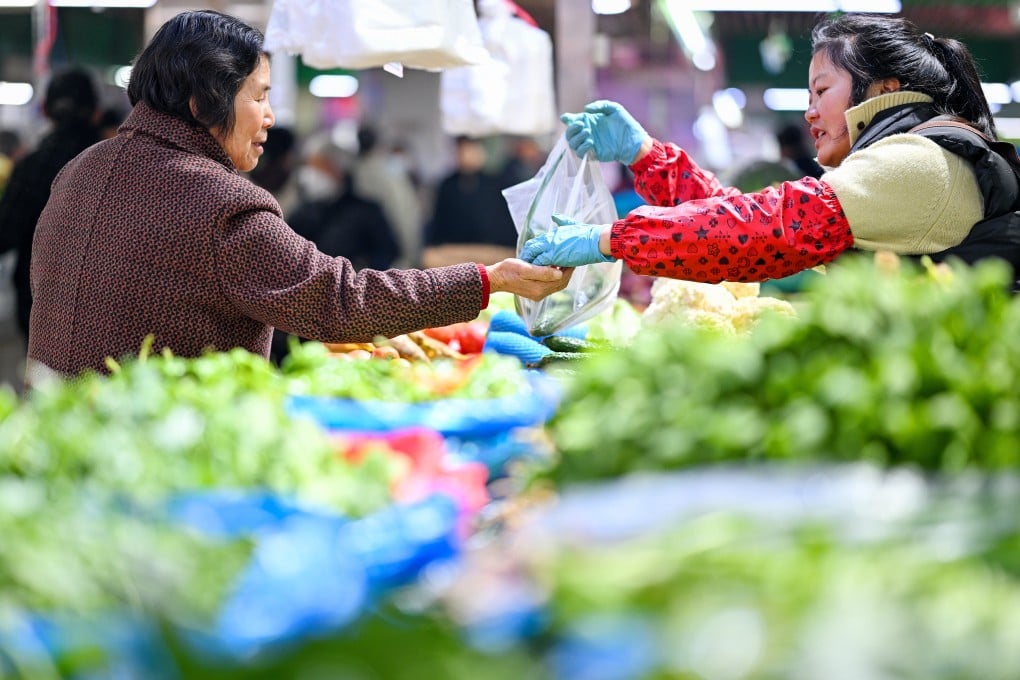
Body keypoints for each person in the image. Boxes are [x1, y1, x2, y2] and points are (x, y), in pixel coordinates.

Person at [26, 10, 570, 382]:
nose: (269, 117)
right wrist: (488, 279)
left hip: (60, 431)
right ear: (202, 102)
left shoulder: (79, 170)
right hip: (159, 452)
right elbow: (342, 299)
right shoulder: (219, 202)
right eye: (259, 97)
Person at [521, 14, 1010, 288]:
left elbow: (764, 228)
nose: (810, 113)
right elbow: (738, 219)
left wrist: (610, 238)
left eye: (821, 91)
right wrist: (647, 155)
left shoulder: (916, 161)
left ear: (884, 88)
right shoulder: (917, 153)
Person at [0, 67, 100, 348]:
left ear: (45, 109)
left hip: (37, 303)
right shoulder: (118, 166)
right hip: (102, 305)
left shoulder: (31, 166)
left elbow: (5, 233)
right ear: (95, 112)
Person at [423, 135, 519, 268]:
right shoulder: (447, 185)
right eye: (462, 151)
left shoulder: (494, 183)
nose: (466, 155)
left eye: (470, 150)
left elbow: (501, 221)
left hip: (490, 249)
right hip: (455, 250)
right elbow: (440, 219)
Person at [354, 124, 424, 268]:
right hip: (379, 255)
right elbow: (404, 216)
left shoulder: (360, 171)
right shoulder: (387, 174)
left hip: (379, 256)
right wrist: (409, 256)